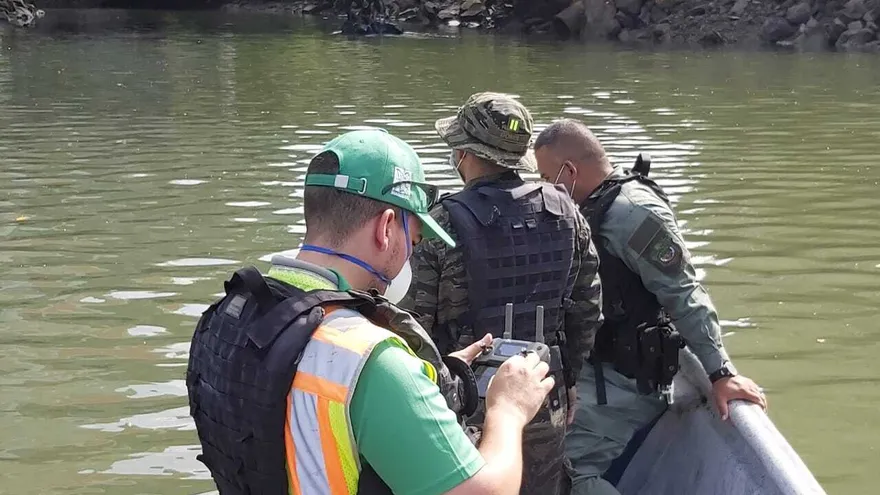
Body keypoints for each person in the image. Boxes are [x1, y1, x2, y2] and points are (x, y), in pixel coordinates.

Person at [186, 128, 557, 495]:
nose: (409, 256)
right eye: (413, 240)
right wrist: (508, 410)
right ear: (385, 228)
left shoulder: (228, 316)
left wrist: (430, 375)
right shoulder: (368, 358)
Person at [533, 118, 768, 495]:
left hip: (626, 383)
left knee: (562, 475)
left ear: (570, 170)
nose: (545, 187)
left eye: (547, 176)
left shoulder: (634, 214)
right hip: (598, 373)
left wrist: (720, 373)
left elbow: (684, 292)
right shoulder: (593, 209)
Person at [402, 93, 603, 495]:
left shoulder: (442, 223)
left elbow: (413, 326)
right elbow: (586, 309)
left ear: (465, 153)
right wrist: (571, 379)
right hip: (543, 386)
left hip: (466, 400)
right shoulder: (568, 213)